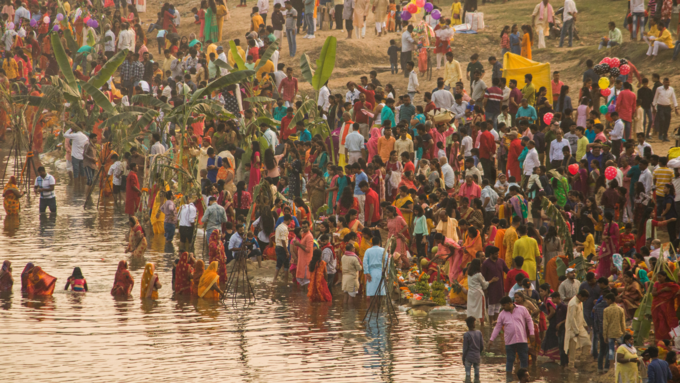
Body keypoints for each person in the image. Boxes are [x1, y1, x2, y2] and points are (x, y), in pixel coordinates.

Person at [488, 296, 534, 374]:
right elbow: (497, 327)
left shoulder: (522, 309)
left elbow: (529, 320)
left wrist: (532, 333)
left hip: (522, 339)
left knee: (524, 359)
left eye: (504, 305)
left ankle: (524, 377)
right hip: (509, 341)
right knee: (510, 359)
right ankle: (508, 378)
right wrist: (491, 339)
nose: (503, 307)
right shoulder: (502, 314)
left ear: (510, 303)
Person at [564, 289, 591, 368]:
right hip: (572, 328)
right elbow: (572, 319)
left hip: (580, 326)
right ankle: (571, 365)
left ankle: (582, 358)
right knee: (572, 347)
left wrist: (584, 324)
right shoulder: (573, 304)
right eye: (584, 298)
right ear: (579, 296)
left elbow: (581, 314)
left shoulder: (580, 302)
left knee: (587, 342)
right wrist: (576, 331)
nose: (584, 300)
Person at [467, 258, 498, 324]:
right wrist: (492, 280)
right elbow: (484, 285)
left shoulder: (469, 274)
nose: (481, 265)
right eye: (480, 263)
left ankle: (471, 323)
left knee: (471, 309)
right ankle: (482, 325)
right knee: (481, 310)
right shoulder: (478, 274)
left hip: (470, 294)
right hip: (478, 294)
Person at [651, 270, 680, 341]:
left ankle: (673, 340)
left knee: (671, 323)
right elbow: (653, 293)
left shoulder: (671, 285)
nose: (659, 279)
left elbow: (676, 292)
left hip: (669, 307)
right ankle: (661, 340)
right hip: (658, 307)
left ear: (665, 277)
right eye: (658, 277)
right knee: (661, 323)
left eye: (660, 277)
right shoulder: (656, 284)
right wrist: (663, 290)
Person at [462, 316, 483, 383]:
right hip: (477, 356)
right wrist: (478, 353)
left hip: (468, 357)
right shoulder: (479, 333)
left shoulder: (466, 334)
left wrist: (463, 358)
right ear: (474, 324)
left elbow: (465, 348)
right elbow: (482, 346)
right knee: (477, 374)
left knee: (468, 375)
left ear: (467, 325)